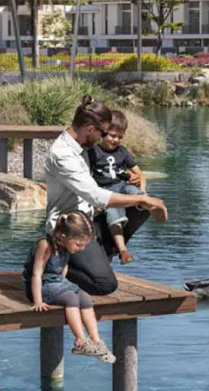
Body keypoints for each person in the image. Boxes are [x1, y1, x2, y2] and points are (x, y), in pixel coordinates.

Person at [44, 100, 167, 296]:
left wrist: (127, 177)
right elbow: (96, 195)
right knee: (105, 285)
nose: (103, 138)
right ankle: (52, 266)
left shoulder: (81, 146)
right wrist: (142, 199)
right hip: (70, 228)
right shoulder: (63, 155)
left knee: (140, 210)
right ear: (90, 129)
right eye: (103, 133)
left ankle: (103, 253)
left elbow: (99, 177)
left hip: (92, 219)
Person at [24, 212, 117, 363]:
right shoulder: (45, 244)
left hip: (57, 282)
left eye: (83, 245)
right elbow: (36, 274)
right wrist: (38, 301)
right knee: (71, 298)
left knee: (85, 298)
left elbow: (63, 268)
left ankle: (95, 341)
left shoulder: (66, 246)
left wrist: (65, 283)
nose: (80, 249)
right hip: (41, 285)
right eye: (79, 244)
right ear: (63, 236)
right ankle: (80, 341)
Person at [90, 109, 147, 264]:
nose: (115, 140)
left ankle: (146, 205)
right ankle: (123, 250)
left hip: (121, 186)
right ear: (103, 133)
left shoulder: (122, 152)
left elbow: (140, 174)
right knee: (114, 216)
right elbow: (87, 177)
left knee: (137, 193)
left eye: (120, 137)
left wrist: (141, 189)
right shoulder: (94, 152)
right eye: (112, 135)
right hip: (106, 192)